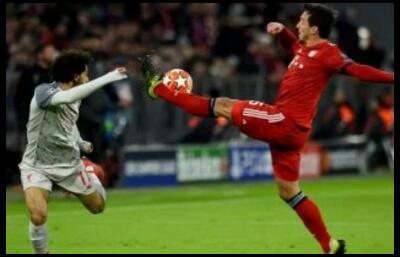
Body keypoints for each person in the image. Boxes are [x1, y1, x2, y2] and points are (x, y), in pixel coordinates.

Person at [139, 4, 394, 254]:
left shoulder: (330, 54)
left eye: (302, 21)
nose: (298, 24)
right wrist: (283, 32)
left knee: (225, 105)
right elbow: (292, 45)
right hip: (293, 132)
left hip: (283, 121)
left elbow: (359, 70)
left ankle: (157, 88)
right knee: (289, 192)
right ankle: (329, 245)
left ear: (315, 28)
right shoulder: (305, 50)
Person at [18, 49, 128, 254]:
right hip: (37, 164)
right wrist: (109, 77)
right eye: (86, 73)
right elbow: (66, 98)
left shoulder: (74, 98)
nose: (88, 78)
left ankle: (89, 171)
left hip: (69, 163)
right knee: (38, 215)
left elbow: (68, 122)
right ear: (76, 77)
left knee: (98, 207)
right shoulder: (43, 92)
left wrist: (80, 142)